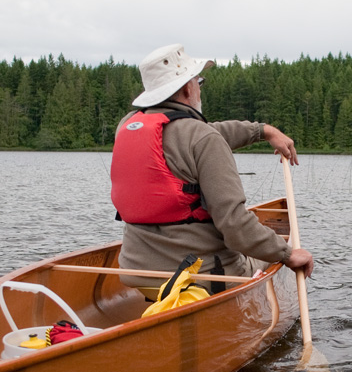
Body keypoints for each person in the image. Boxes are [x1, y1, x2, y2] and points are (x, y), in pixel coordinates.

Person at [110, 43, 314, 296]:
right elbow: (235, 226)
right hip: (201, 277)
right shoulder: (201, 138)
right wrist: (286, 253)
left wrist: (262, 131)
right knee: (271, 253)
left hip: (137, 273)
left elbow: (200, 134)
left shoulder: (126, 127)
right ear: (187, 87)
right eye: (199, 81)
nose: (199, 88)